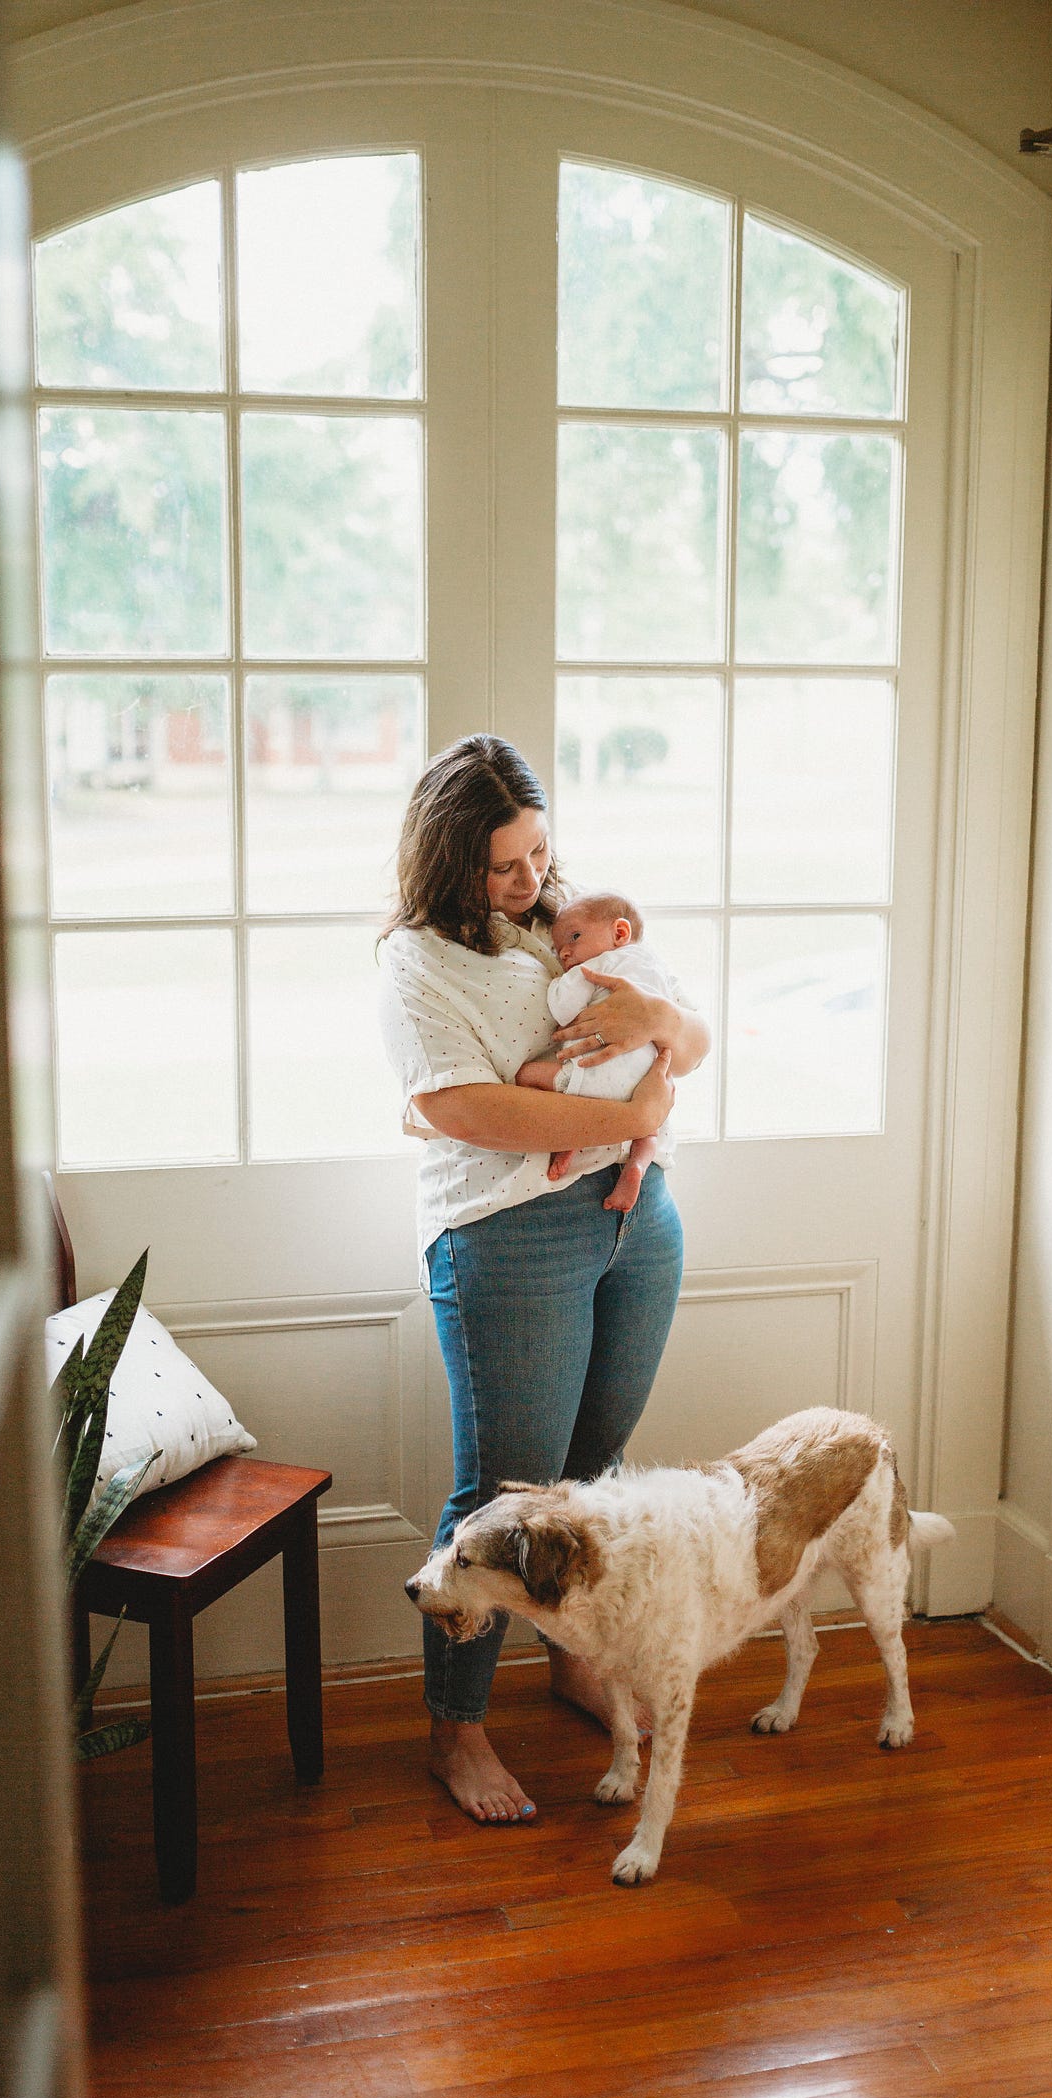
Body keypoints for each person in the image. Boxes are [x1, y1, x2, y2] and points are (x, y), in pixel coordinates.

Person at [378, 734, 710, 1824]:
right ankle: (456, 1729)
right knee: (502, 1491)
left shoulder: (561, 926)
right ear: (448, 861)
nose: (532, 884)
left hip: (631, 1221)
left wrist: (661, 1027)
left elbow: (688, 1032)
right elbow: (465, 1109)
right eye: (505, 867)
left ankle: (572, 1659)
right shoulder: (416, 961)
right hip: (506, 1235)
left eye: (539, 857)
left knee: (593, 1473)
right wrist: (629, 1115)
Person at [513, 888, 677, 1214]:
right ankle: (637, 1168)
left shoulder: (596, 967)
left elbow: (561, 1009)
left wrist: (560, 980)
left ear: (619, 932)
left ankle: (567, 1141)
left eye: (574, 937)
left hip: (594, 1076)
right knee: (650, 1129)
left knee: (527, 1075)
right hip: (646, 1084)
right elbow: (681, 1015)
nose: (565, 953)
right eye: (559, 949)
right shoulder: (658, 965)